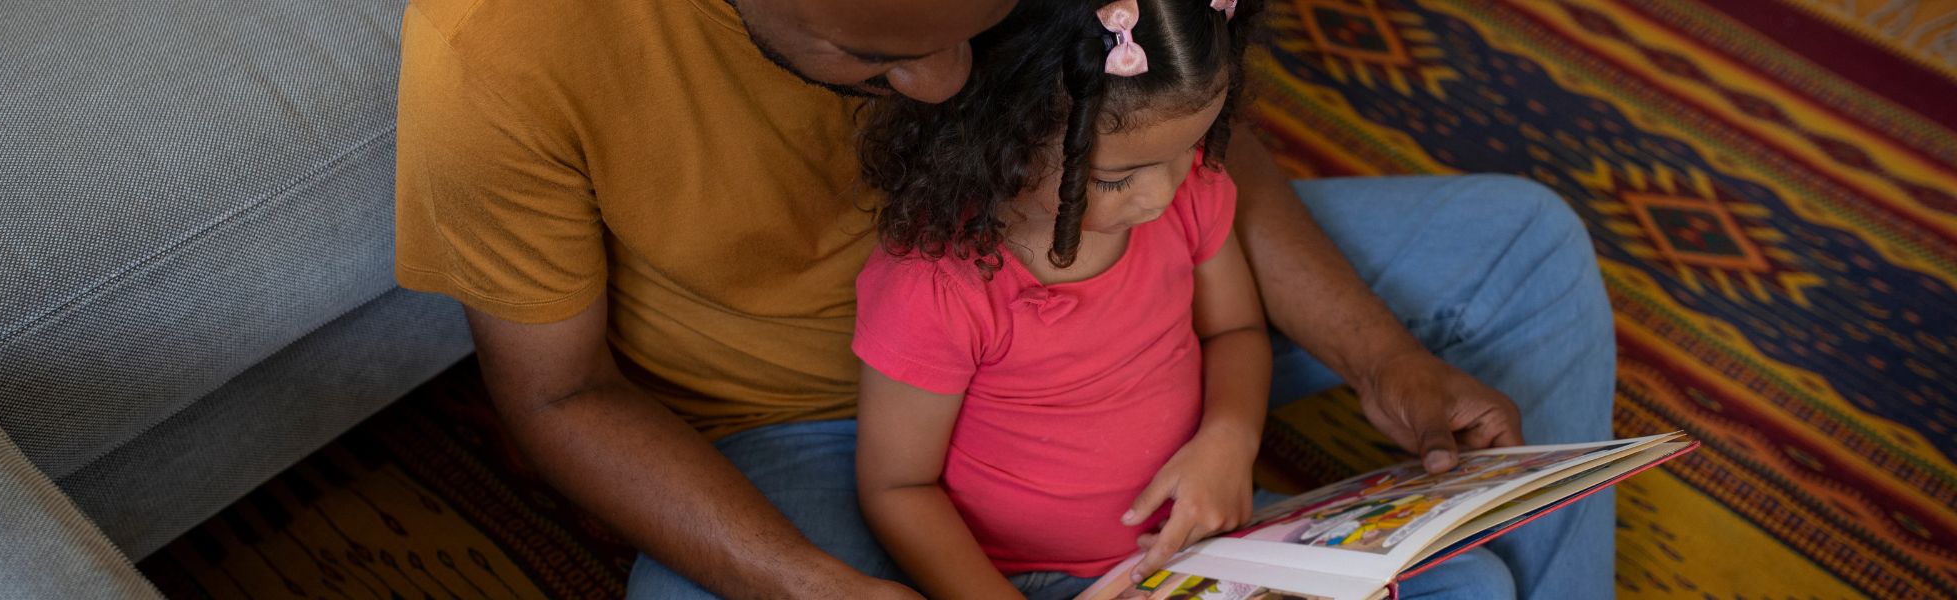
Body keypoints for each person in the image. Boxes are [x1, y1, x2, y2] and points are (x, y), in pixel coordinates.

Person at [393, 0, 1617, 596]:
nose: (941, 87)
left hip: (1120, 298)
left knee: (1518, 246)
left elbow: (1159, 138)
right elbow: (557, 395)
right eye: (873, 56)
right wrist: (810, 586)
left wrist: (1377, 357)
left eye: (978, 24)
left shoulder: (1139, 192)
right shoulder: (502, 51)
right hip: (807, 423)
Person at [853, 0, 1267, 597]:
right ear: (1000, 140)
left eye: (1188, 147)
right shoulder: (936, 285)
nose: (1161, 193)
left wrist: (1232, 438)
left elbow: (1236, 333)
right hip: (1024, 581)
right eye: (1115, 179)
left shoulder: (1189, 192)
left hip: (1203, 531)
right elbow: (898, 491)